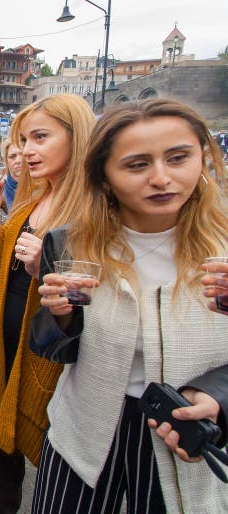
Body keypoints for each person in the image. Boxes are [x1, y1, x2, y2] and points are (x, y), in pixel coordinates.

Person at [31, 99, 228, 513]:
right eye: (137, 165)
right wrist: (61, 315)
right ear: (104, 175)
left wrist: (217, 398)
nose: (162, 178)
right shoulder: (70, 242)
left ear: (203, 158)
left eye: (178, 158)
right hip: (84, 428)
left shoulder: (223, 245)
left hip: (186, 430)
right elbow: (54, 350)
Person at [0, 94, 95, 514]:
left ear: (77, 139)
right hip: (6, 353)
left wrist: (49, 266)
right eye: (24, 140)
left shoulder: (95, 211)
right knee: (1, 465)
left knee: (57, 479)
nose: (26, 151)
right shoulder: (29, 203)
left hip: (50, 362)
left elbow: (101, 303)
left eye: (40, 137)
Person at [1, 137, 23, 211]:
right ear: (6, 161)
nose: (18, 160)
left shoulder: (43, 188)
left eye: (22, 154)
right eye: (12, 156)